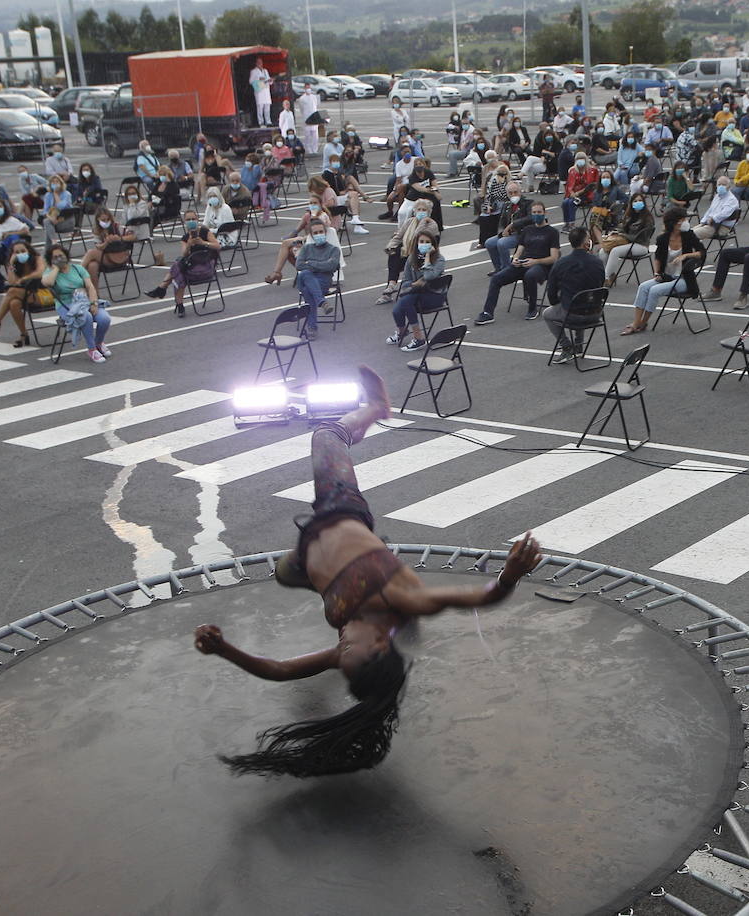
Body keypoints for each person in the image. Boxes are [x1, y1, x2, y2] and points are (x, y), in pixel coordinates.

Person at [194, 368, 542, 778]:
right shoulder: (400, 599)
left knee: (284, 574)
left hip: (307, 556)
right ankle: (376, 409)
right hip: (339, 509)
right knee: (326, 435)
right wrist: (510, 576)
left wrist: (224, 650)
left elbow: (281, 669)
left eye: (339, 657)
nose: (338, 649)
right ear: (379, 646)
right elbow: (480, 598)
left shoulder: (346, 654)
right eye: (348, 652)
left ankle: (305, 568)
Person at [621, 207, 704, 336]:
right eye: (683, 219)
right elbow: (658, 258)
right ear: (675, 223)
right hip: (667, 276)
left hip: (684, 280)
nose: (686, 222)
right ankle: (636, 322)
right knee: (643, 287)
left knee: (655, 290)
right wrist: (657, 273)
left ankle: (643, 322)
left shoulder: (689, 235)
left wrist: (686, 256)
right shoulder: (663, 238)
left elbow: (701, 252)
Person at [478, 201, 560, 324]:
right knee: (496, 279)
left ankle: (532, 308)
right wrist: (515, 259)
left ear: (545, 213)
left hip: (542, 266)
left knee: (530, 275)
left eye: (539, 212)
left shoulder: (552, 232)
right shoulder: (527, 230)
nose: (536, 215)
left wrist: (535, 261)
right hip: (523, 263)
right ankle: (488, 312)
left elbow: (554, 258)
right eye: (534, 213)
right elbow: (519, 250)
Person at [544, 226, 608, 360]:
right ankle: (579, 344)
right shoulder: (597, 262)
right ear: (586, 243)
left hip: (572, 314)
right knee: (581, 300)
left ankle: (566, 345)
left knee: (548, 313)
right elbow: (601, 285)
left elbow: (551, 293)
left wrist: (559, 303)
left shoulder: (561, 264)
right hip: (596, 313)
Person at [42, 242, 111, 362]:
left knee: (104, 318)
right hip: (66, 305)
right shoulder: (49, 272)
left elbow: (90, 287)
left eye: (61, 256)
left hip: (84, 300)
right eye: (55, 257)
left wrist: (93, 303)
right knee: (86, 316)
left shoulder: (78, 269)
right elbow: (47, 283)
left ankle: (98, 343)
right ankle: (91, 349)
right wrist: (57, 268)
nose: (59, 259)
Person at [146, 210, 221, 317]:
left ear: (197, 220)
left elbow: (218, 246)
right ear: (185, 222)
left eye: (193, 219)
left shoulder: (205, 232)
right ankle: (177, 302)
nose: (191, 221)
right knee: (179, 270)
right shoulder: (185, 238)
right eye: (188, 220)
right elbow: (184, 254)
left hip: (207, 268)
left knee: (178, 266)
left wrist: (203, 243)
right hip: (192, 270)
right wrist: (189, 244)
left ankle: (163, 288)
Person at [386, 229, 445, 352]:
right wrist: (415, 283)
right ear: (417, 243)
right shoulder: (411, 259)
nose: (424, 244)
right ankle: (402, 332)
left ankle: (419, 338)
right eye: (421, 241)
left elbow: (429, 277)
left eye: (427, 242)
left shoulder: (439, 259)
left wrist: (428, 258)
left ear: (433, 244)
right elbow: (405, 282)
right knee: (397, 310)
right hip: (416, 293)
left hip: (434, 295)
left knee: (406, 302)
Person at [375, 200, 437, 305]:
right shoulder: (409, 221)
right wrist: (391, 246)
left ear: (428, 212)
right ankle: (391, 285)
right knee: (394, 254)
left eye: (424, 210)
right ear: (415, 211)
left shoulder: (430, 224)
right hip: (407, 251)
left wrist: (422, 222)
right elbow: (399, 236)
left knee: (403, 256)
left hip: (423, 253)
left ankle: (393, 289)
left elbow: (418, 236)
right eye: (419, 209)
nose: (421, 212)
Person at [0, 238, 44, 348]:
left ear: (28, 250)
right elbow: (12, 282)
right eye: (17, 252)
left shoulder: (37, 258)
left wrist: (24, 278)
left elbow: (39, 273)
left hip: (41, 294)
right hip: (23, 295)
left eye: (23, 251)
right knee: (14, 303)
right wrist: (11, 264)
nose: (20, 254)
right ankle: (24, 334)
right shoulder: (15, 264)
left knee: (12, 291)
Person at [295, 221, 344, 338]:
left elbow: (331, 266)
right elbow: (299, 265)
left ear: (325, 232)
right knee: (306, 274)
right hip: (306, 279)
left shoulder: (334, 250)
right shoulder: (307, 248)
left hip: (323, 282)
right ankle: (321, 302)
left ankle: (312, 326)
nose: (318, 234)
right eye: (315, 233)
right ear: (311, 235)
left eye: (320, 232)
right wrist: (322, 265)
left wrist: (311, 263)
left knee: (308, 291)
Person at [600, 192, 655, 287]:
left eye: (640, 200)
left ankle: (605, 278)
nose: (638, 202)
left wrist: (623, 235)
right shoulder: (629, 215)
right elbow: (621, 227)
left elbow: (641, 236)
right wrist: (616, 232)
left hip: (640, 245)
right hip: (627, 243)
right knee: (603, 250)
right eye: (635, 201)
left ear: (644, 202)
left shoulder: (648, 218)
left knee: (615, 251)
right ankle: (611, 274)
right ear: (632, 203)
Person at [80, 207, 136, 288]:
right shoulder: (97, 231)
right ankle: (95, 293)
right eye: (103, 220)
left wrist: (120, 238)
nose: (106, 222)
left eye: (108, 219)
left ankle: (77, 272)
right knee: (92, 265)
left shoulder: (117, 227)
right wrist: (106, 243)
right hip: (107, 258)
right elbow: (98, 246)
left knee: (91, 253)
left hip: (122, 258)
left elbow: (133, 236)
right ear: (98, 220)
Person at [692, 177, 740, 243]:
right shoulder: (717, 196)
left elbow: (725, 213)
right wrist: (703, 222)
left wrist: (713, 218)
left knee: (692, 234)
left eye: (724, 185)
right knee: (687, 232)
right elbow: (710, 210)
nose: (721, 186)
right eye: (719, 184)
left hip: (721, 227)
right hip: (710, 224)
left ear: (729, 187)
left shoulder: (731, 199)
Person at [562, 154, 599, 227]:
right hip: (574, 194)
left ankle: (572, 223)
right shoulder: (572, 171)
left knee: (571, 203)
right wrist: (572, 193)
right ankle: (566, 223)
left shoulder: (592, 171)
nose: (580, 161)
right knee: (565, 202)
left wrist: (578, 193)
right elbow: (569, 185)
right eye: (578, 159)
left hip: (586, 195)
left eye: (582, 158)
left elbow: (592, 186)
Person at [249, 59, 273, 127]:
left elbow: (268, 80)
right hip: (259, 92)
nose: (260, 63)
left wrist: (270, 80)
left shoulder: (265, 71)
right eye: (258, 62)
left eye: (261, 62)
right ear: (256, 63)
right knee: (260, 107)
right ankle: (261, 122)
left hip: (266, 91)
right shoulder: (253, 71)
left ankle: (268, 121)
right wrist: (259, 79)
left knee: (267, 107)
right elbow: (250, 81)